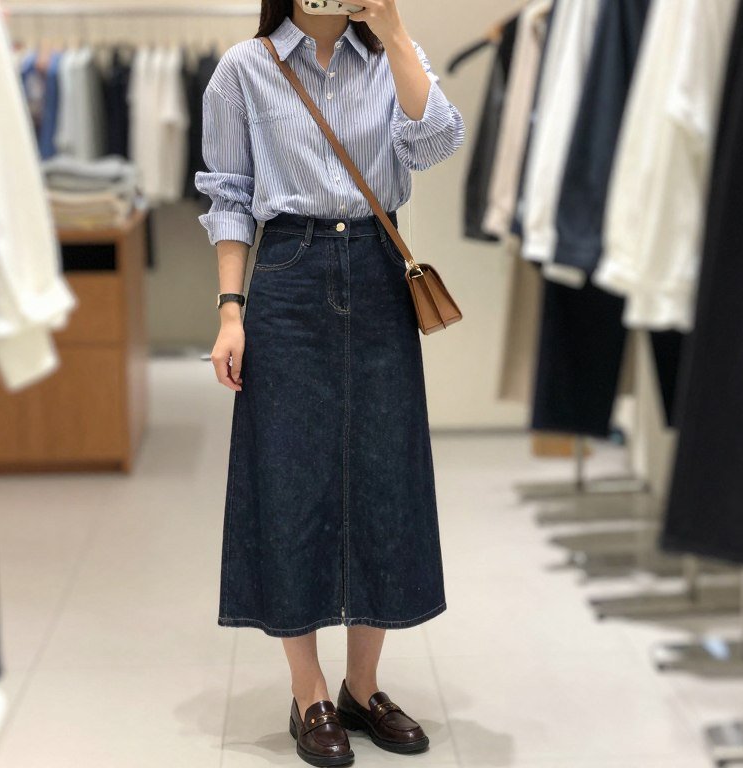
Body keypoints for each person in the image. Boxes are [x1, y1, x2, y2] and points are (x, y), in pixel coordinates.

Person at [196, 0, 464, 764]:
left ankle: (365, 684)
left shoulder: (386, 60)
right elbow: (228, 196)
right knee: (290, 482)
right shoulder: (242, 70)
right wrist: (230, 312)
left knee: (384, 477)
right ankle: (308, 689)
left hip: (378, 276)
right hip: (286, 270)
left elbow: (438, 139)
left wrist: (397, 31)